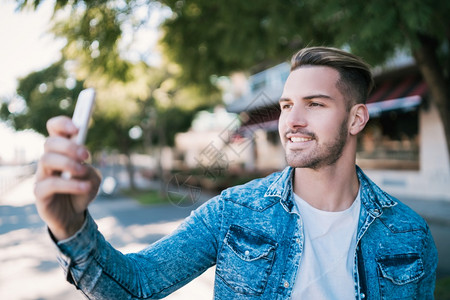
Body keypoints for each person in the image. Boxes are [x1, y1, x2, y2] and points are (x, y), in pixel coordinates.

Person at [35, 46, 438, 299]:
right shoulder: (233, 211)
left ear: (356, 119)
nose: (291, 121)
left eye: (314, 104)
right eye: (285, 105)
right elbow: (136, 285)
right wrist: (70, 229)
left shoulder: (410, 234)